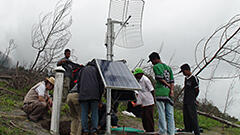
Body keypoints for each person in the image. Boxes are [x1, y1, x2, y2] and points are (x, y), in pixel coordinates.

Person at [148, 52, 175, 135]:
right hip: (168, 93)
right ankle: (171, 132)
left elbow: (159, 78)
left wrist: (166, 84)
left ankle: (163, 131)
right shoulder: (168, 68)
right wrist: (171, 90)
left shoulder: (156, 67)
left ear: (155, 59)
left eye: (152, 60)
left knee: (161, 112)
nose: (152, 63)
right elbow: (172, 81)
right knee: (170, 114)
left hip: (160, 92)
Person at [78, 59, 104, 135]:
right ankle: (94, 130)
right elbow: (100, 84)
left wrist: (80, 93)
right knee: (94, 112)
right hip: (94, 95)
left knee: (84, 113)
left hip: (83, 95)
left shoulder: (82, 70)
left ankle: (85, 130)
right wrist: (100, 97)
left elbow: (78, 83)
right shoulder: (97, 70)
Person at [132, 68, 155, 133]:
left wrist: (154, 100)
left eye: (136, 74)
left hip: (149, 101)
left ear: (140, 74)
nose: (135, 76)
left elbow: (152, 90)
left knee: (149, 117)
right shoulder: (138, 80)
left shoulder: (146, 80)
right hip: (143, 101)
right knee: (144, 117)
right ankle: (146, 129)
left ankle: (151, 131)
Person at [180, 64, 200, 135]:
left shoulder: (194, 78)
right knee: (186, 117)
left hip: (191, 101)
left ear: (187, 70)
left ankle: (196, 132)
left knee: (193, 117)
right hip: (185, 100)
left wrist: (194, 98)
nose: (183, 73)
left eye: (183, 71)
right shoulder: (186, 78)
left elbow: (197, 89)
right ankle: (188, 130)